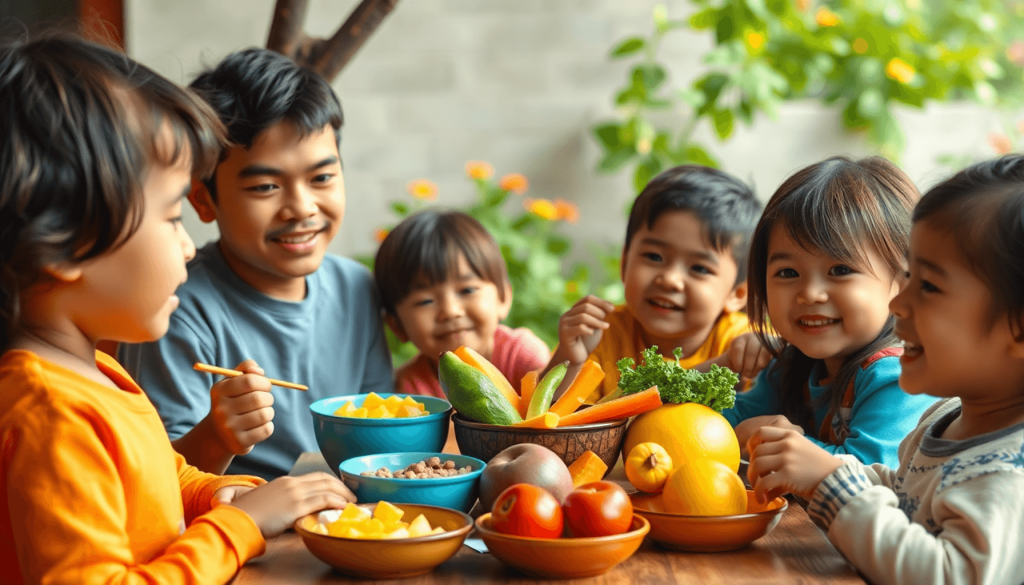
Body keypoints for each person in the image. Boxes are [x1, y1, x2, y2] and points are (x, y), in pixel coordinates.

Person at [0, 32, 354, 583]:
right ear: (68, 243)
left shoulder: (95, 373)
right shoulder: (51, 414)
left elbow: (158, 480)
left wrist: (219, 492)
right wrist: (237, 526)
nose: (188, 245)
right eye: (170, 218)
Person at [746, 156, 1024, 585]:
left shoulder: (1008, 473)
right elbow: (903, 492)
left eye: (926, 285)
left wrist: (829, 479)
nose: (896, 303)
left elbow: (951, 576)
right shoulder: (944, 421)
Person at [118, 48, 393, 479]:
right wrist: (216, 436)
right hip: (243, 535)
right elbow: (156, 484)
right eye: (266, 186)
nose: (301, 208)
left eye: (321, 177)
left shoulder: (356, 288)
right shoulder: (174, 311)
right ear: (204, 199)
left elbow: (381, 433)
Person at [724, 156, 938, 468]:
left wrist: (791, 447)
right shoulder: (789, 366)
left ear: (904, 280)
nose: (810, 294)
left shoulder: (899, 374)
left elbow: (874, 475)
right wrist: (725, 365)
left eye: (840, 269)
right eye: (787, 273)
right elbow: (711, 428)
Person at [547, 165, 769, 403]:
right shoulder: (600, 337)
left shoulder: (742, 340)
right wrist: (569, 360)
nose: (670, 279)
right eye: (654, 257)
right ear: (624, 263)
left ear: (738, 293)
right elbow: (550, 423)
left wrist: (767, 351)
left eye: (699, 268)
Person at [374, 210, 550, 397]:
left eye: (467, 290)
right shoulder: (411, 388)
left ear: (503, 297)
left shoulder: (520, 355)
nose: (450, 311)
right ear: (397, 326)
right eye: (425, 301)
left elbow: (555, 406)